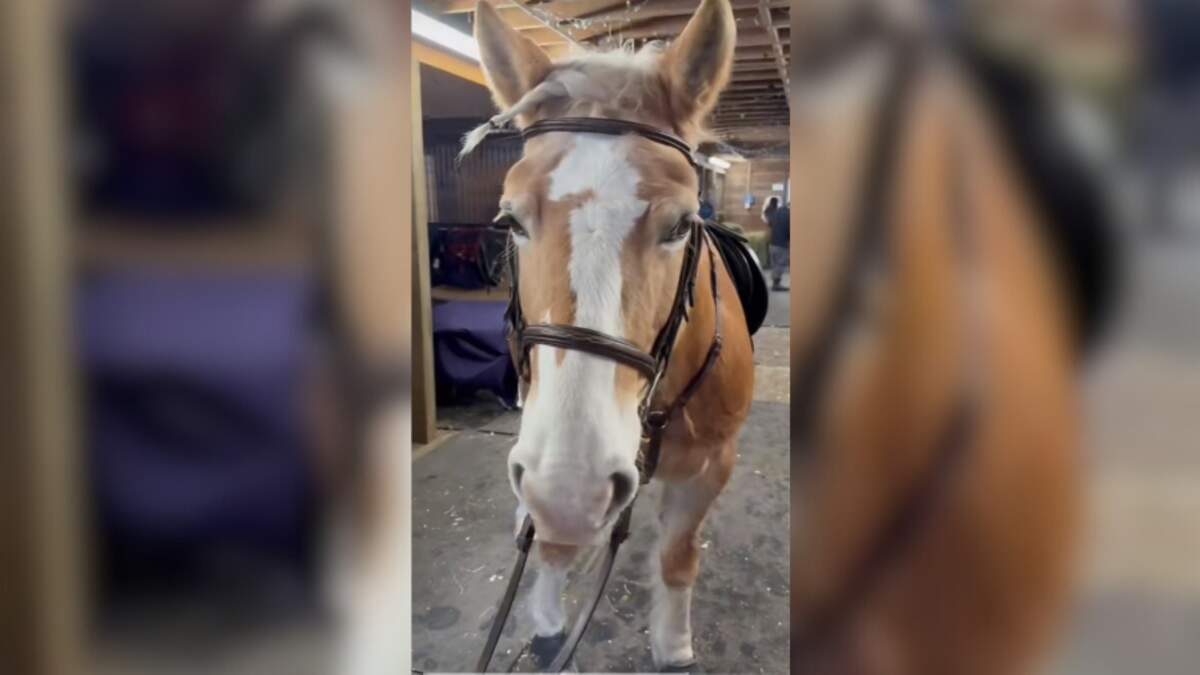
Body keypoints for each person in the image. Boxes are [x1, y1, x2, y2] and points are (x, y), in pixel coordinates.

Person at [762, 195, 790, 291]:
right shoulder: (789, 215)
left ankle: (775, 282)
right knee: (780, 264)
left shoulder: (776, 212)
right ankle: (776, 284)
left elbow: (770, 223)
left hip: (773, 243)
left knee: (775, 264)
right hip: (782, 244)